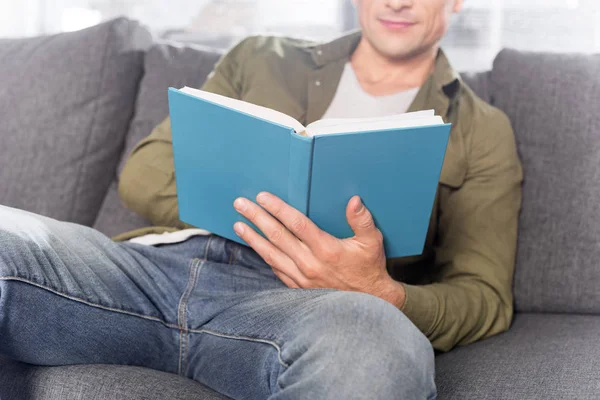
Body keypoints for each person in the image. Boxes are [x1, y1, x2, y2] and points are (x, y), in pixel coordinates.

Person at [0, 0, 523, 398]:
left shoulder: (481, 130)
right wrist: (267, 216)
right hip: (153, 273)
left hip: (306, 310)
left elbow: (485, 298)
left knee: (376, 346)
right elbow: (145, 173)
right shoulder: (260, 59)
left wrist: (385, 293)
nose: (397, 1)